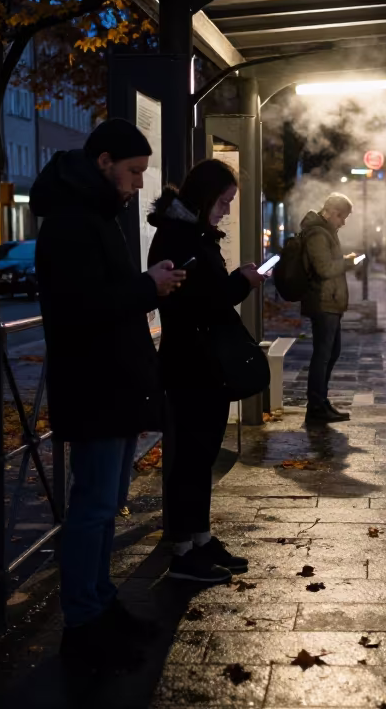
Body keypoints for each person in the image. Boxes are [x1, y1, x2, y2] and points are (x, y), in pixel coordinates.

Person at [32, 119, 185, 672]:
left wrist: (146, 282)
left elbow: (100, 297)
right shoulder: (74, 223)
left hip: (107, 383)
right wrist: (148, 286)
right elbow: (83, 309)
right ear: (103, 162)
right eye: (133, 171)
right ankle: (83, 621)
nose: (139, 183)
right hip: (94, 384)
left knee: (103, 506)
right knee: (93, 508)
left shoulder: (90, 215)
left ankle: (98, 606)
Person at [148, 160, 263, 583]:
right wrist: (241, 283)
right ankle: (183, 550)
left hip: (201, 361)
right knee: (192, 459)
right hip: (191, 362)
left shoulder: (191, 232)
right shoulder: (181, 236)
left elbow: (202, 294)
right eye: (223, 201)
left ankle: (200, 537)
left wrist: (234, 282)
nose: (227, 210)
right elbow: (198, 301)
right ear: (204, 197)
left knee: (201, 457)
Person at [300, 193, 357, 423]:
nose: (343, 222)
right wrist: (347, 262)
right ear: (332, 212)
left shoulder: (326, 232)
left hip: (330, 301)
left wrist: (344, 260)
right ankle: (316, 407)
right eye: (342, 217)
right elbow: (323, 268)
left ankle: (321, 403)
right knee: (323, 355)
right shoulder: (317, 233)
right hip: (323, 302)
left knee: (331, 353)